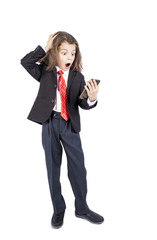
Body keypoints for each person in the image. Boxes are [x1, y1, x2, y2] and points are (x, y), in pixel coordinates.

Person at [20, 31, 104, 228]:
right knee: (52, 168)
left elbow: (80, 104)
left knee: (78, 168)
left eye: (73, 53)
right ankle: (58, 210)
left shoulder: (77, 77)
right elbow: (26, 62)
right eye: (64, 52)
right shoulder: (45, 71)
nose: (69, 57)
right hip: (49, 123)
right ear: (54, 53)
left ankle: (82, 208)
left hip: (70, 125)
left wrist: (92, 99)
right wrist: (47, 46)